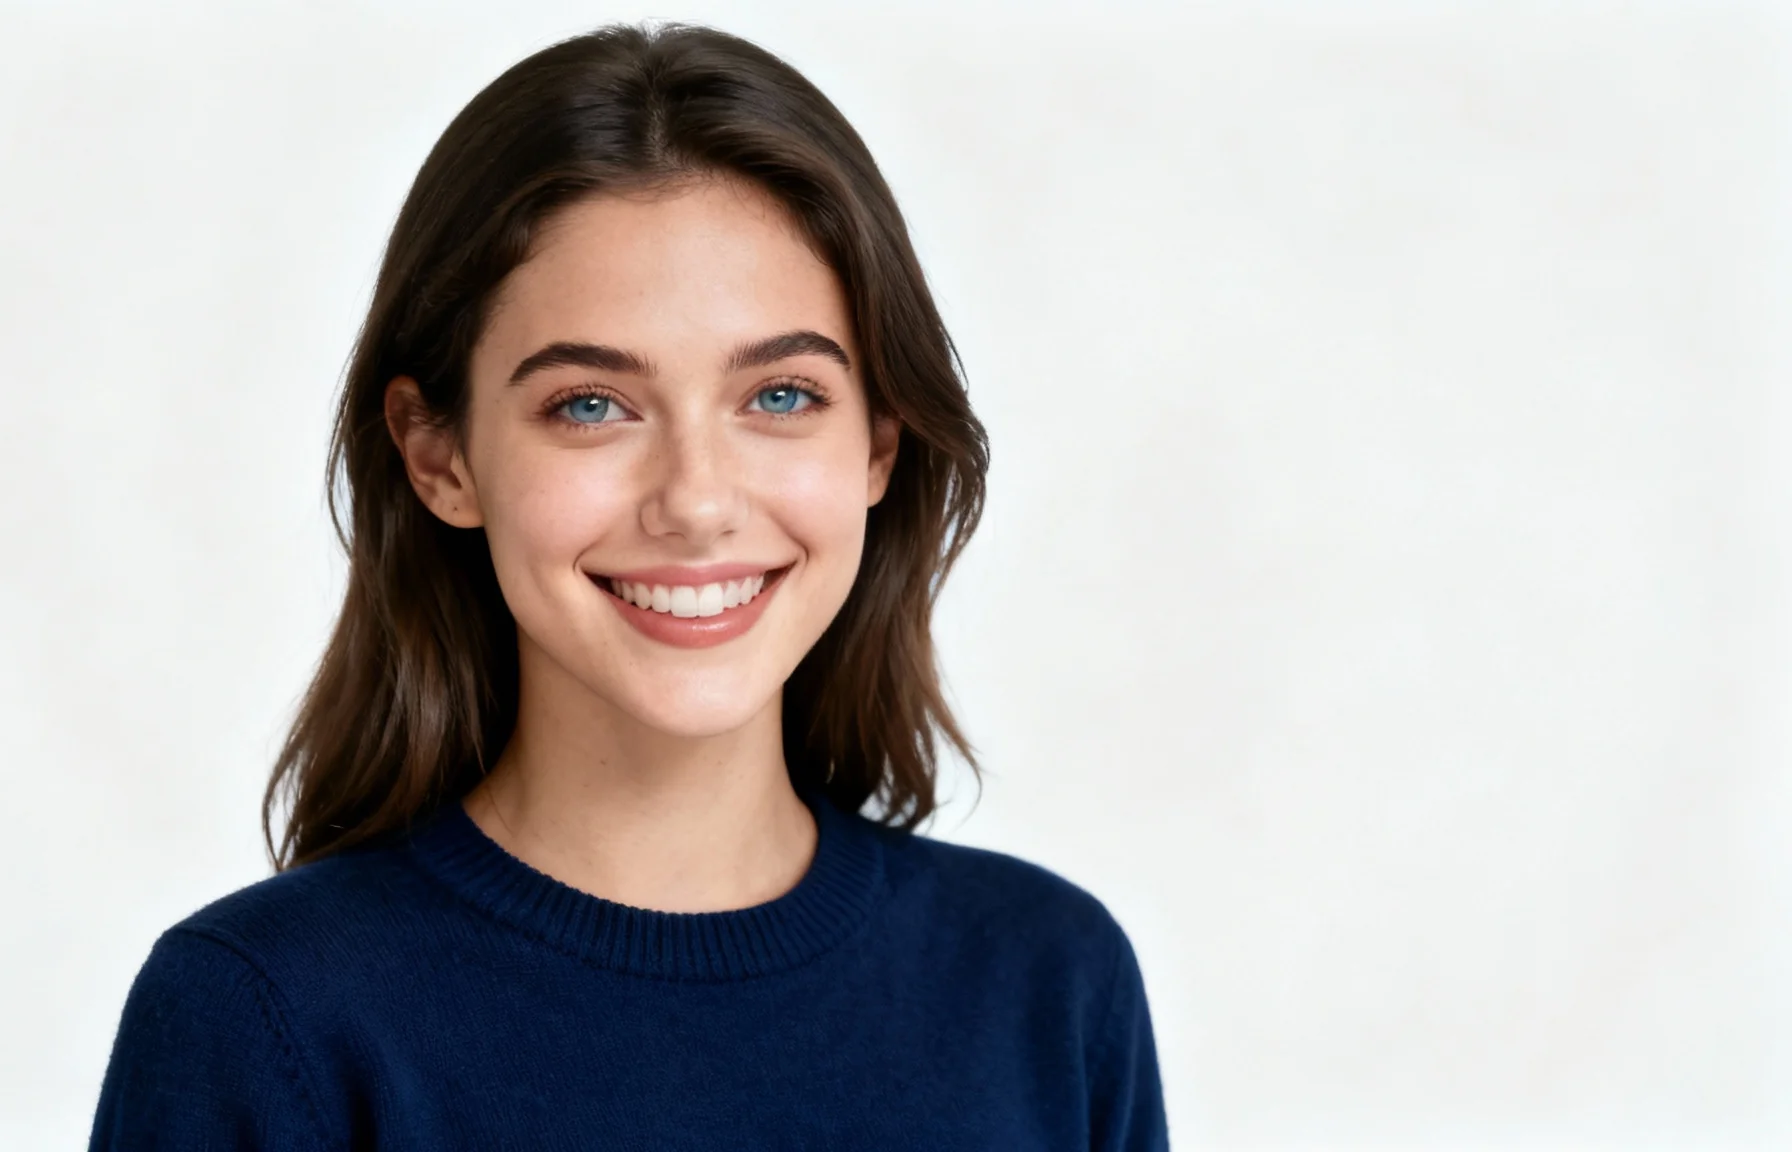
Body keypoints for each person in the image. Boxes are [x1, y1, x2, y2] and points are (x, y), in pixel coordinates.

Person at [88, 20, 1168, 1149]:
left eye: (782, 395)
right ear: (437, 456)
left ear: (879, 447)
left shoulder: (1050, 986)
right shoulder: (265, 1018)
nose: (696, 501)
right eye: (590, 405)